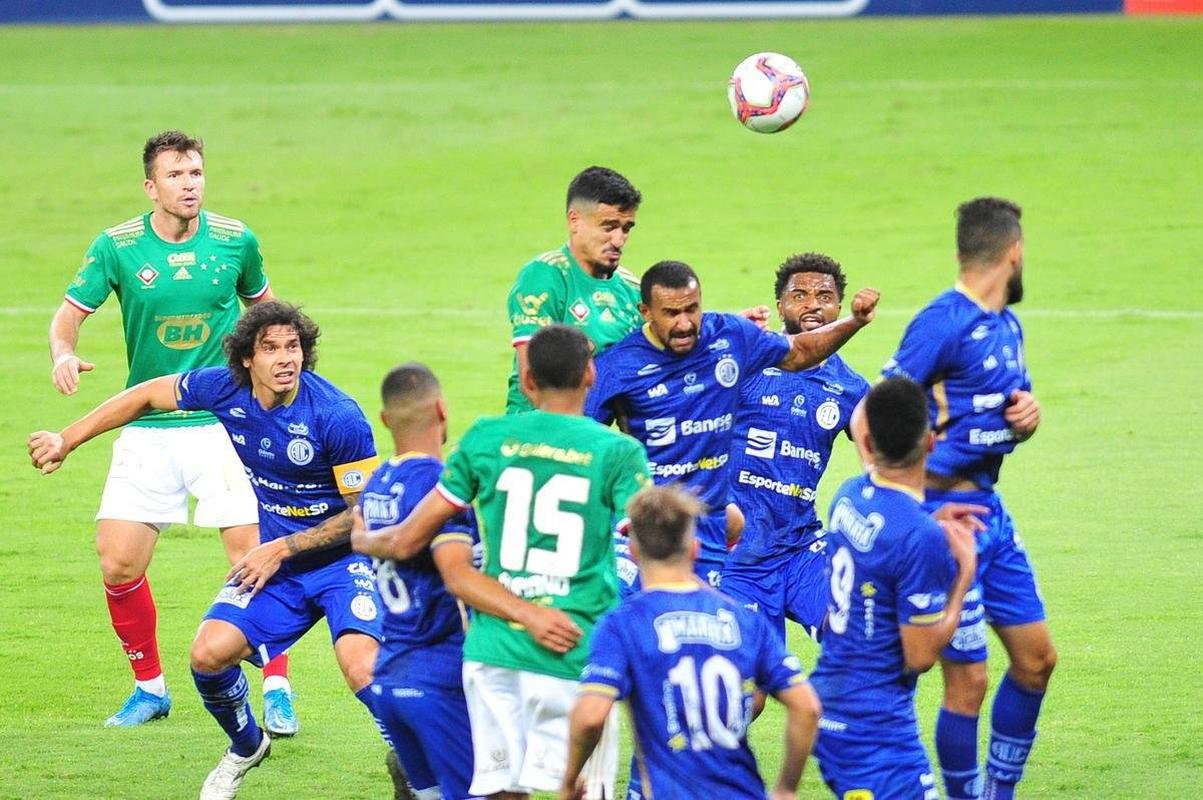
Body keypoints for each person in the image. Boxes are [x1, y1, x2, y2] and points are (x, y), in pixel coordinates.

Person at [30, 303, 389, 800]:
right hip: (280, 570)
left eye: (294, 347)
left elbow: (366, 516)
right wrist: (67, 438)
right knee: (207, 655)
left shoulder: (335, 415)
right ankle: (246, 747)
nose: (287, 359)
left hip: (342, 564)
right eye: (271, 348)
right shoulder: (224, 389)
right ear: (246, 358)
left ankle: (426, 765)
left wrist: (280, 547)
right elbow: (147, 395)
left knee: (361, 667)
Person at [46, 130, 296, 732]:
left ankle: (278, 686)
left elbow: (270, 315)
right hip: (149, 424)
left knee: (252, 558)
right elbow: (68, 317)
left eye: (197, 174)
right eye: (177, 176)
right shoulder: (119, 246)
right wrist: (62, 353)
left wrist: (283, 381)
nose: (190, 186)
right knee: (118, 564)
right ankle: (150, 688)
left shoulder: (237, 241)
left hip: (224, 425)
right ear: (151, 186)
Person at [353, 324, 651, 800]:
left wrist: (364, 540)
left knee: (501, 792)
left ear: (527, 380)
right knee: (580, 790)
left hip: (492, 655)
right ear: (591, 374)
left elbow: (410, 538)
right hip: (571, 649)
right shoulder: (618, 452)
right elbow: (646, 548)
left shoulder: (484, 440)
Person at [873, 197, 1056, 800]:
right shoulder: (941, 322)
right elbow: (878, 409)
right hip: (944, 518)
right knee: (967, 685)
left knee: (1036, 661)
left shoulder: (1008, 324)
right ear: (1015, 252)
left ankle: (997, 794)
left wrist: (1027, 417)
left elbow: (1007, 407)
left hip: (991, 513)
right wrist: (895, 499)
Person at [585, 260, 879, 588]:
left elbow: (798, 353)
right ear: (646, 312)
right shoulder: (617, 367)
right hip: (656, 526)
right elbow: (578, 437)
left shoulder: (729, 337)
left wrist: (856, 321)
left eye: (692, 310)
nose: (684, 323)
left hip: (723, 530)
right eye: (671, 313)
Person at [560, 483, 821, 800]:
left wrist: (570, 778)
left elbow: (590, 716)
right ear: (695, 550)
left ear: (633, 551)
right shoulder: (745, 620)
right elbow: (807, 707)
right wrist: (785, 788)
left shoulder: (622, 624)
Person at [810, 376, 978, 799]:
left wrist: (927, 526)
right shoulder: (919, 539)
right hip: (876, 734)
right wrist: (962, 580)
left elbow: (881, 549)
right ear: (931, 443)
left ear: (866, 443)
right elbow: (919, 656)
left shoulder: (847, 496)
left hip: (831, 709)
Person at [722, 253, 870, 643]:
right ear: (780, 306)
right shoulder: (747, 362)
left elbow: (889, 447)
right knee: (748, 700)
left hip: (800, 544)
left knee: (857, 638)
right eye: (799, 295)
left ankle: (831, 704)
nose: (812, 305)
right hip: (738, 554)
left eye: (824, 295)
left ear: (839, 305)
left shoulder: (850, 387)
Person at [357, 363, 483, 800]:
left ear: (386, 420)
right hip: (441, 678)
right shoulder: (440, 487)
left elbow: (360, 536)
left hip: (388, 677)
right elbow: (460, 577)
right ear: (443, 409)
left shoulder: (376, 485)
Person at [505, 166, 643, 414]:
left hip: (592, 442)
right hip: (534, 436)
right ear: (574, 220)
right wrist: (575, 441)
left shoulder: (632, 290)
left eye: (626, 228)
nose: (619, 240)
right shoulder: (544, 277)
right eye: (608, 227)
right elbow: (532, 382)